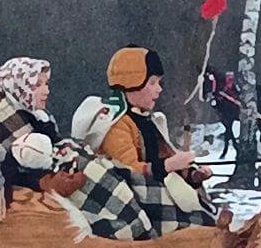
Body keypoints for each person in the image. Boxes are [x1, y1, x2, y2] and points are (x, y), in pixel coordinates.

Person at [72, 46, 217, 229]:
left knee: (206, 216)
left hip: (155, 194)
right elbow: (129, 170)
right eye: (152, 83)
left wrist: (192, 174)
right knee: (197, 224)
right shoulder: (115, 125)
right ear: (132, 83)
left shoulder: (148, 120)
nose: (159, 89)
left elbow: (163, 156)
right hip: (135, 205)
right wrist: (169, 165)